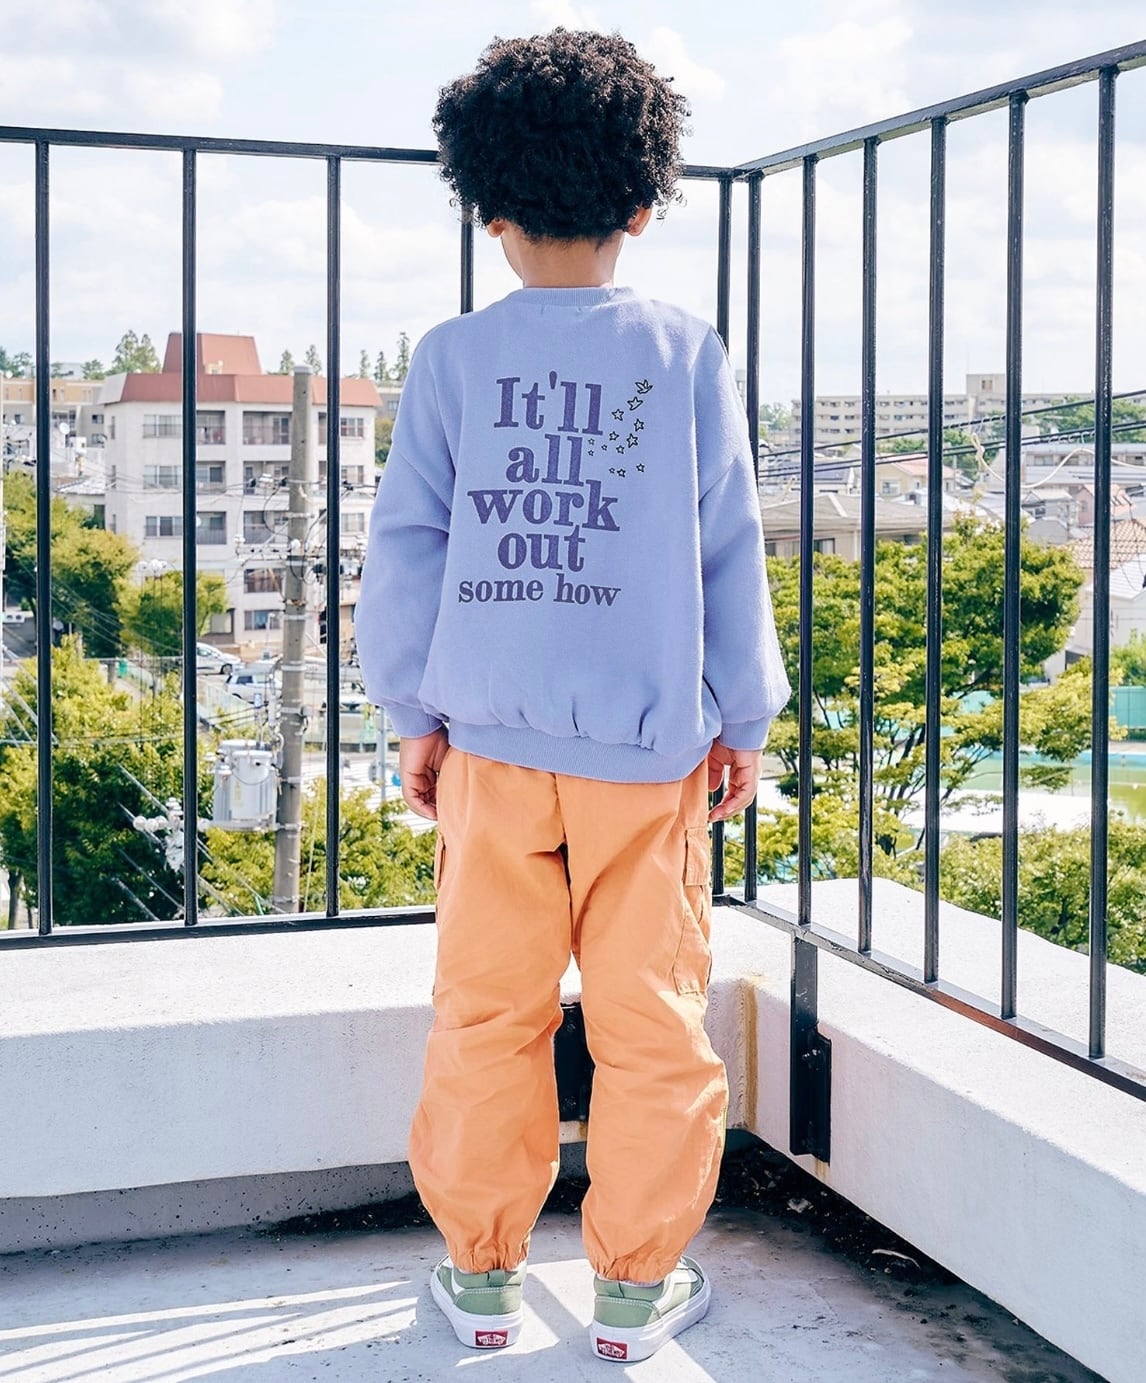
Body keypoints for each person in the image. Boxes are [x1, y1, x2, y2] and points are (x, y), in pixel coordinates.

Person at [356, 27, 789, 1364]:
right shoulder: (683, 352)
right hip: (646, 758)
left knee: (488, 1013)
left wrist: (413, 715)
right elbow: (726, 547)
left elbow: (406, 548)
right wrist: (743, 716)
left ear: (483, 208)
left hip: (490, 748)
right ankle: (633, 1291)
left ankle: (481, 1277)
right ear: (644, 204)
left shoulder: (450, 358)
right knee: (650, 1020)